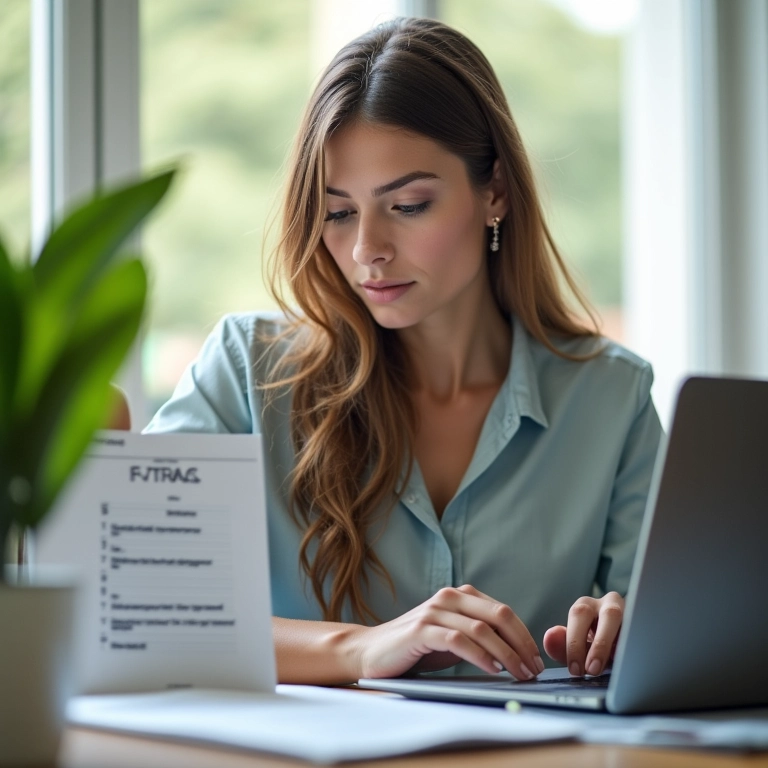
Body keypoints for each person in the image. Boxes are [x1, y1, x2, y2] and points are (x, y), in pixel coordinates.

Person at [145, 17, 662, 685]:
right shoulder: (246, 374)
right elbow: (146, 609)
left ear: (495, 192)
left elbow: (681, 637)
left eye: (409, 205)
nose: (366, 250)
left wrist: (625, 631)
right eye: (338, 213)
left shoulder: (610, 399)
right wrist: (360, 650)